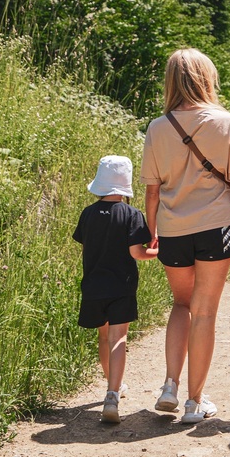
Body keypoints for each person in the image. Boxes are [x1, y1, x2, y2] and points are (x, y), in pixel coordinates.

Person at [142, 48, 230, 424]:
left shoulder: (157, 127)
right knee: (206, 311)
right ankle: (195, 403)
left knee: (181, 305)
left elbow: (151, 190)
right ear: (205, 78)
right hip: (216, 227)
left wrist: (153, 234)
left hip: (174, 230)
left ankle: (169, 386)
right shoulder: (225, 122)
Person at [73, 155, 159, 424]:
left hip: (93, 286)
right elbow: (137, 253)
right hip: (121, 286)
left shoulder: (87, 214)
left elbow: (87, 247)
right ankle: (112, 394)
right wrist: (156, 251)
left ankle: (113, 387)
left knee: (103, 337)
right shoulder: (132, 214)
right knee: (118, 338)